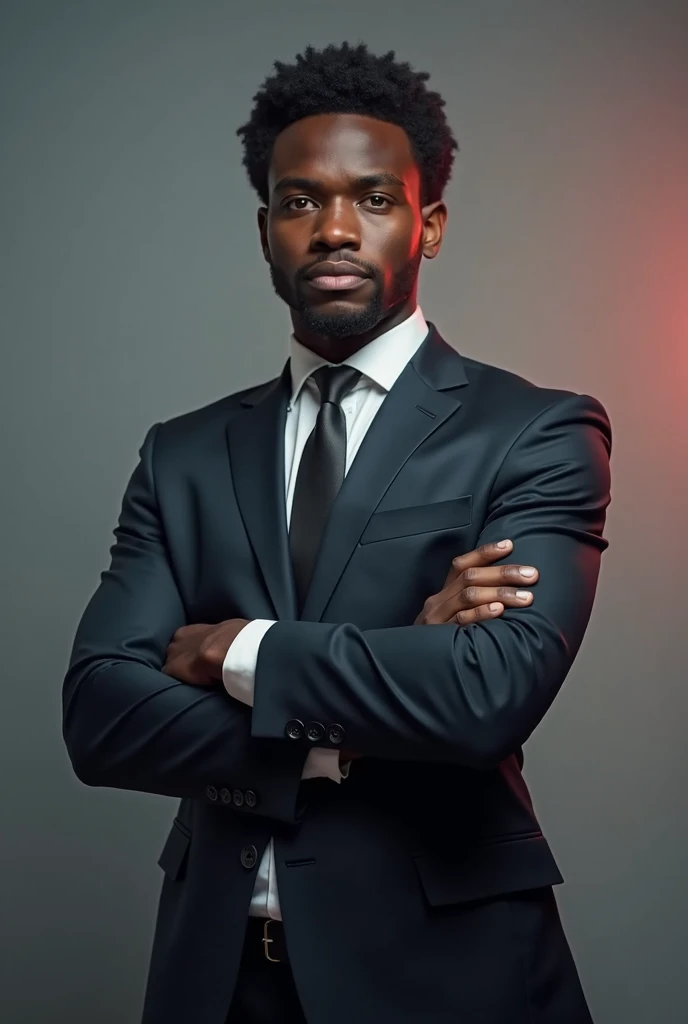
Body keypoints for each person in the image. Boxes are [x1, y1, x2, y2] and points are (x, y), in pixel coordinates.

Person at [62, 41, 611, 1024]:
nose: (334, 230)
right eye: (300, 201)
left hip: (445, 973)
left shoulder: (536, 432)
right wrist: (354, 719)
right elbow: (101, 714)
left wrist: (242, 650)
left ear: (428, 224)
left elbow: (486, 694)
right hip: (215, 975)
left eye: (372, 197)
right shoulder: (182, 454)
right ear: (265, 229)